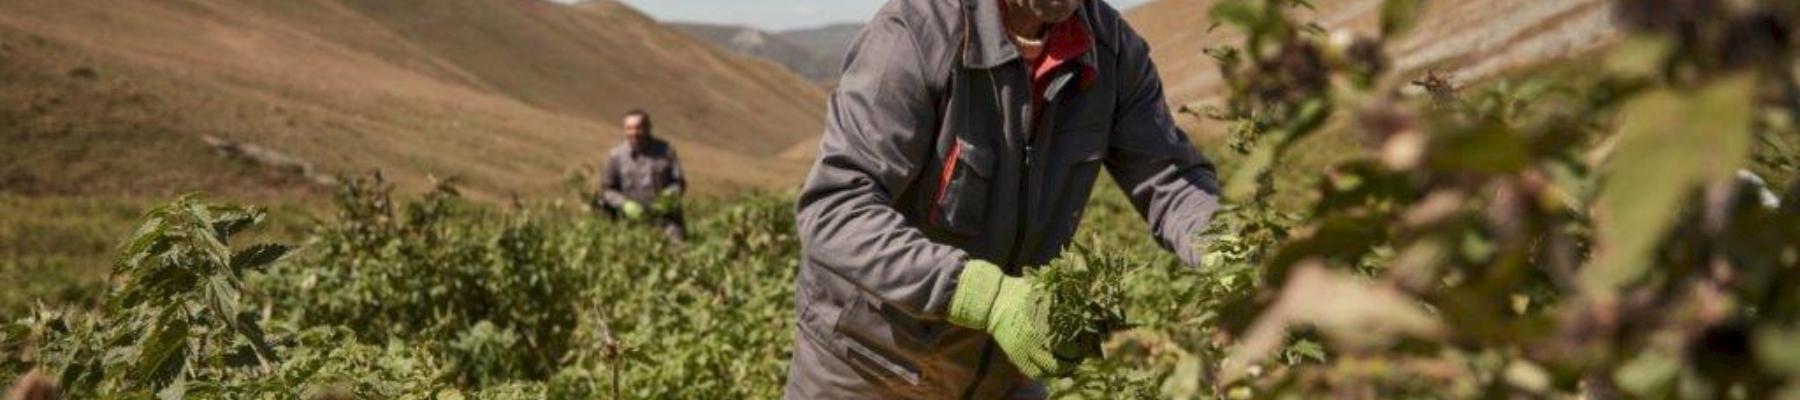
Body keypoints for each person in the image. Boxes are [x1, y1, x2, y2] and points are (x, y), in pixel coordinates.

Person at [786, 0, 1221, 397]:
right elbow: (836, 209)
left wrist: (1234, 250)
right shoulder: (914, 34)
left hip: (1001, 374)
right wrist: (986, 297)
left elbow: (1172, 180)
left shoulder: (1112, 53)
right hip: (870, 367)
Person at [599, 109, 687, 241]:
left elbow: (679, 182)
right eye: (629, 128)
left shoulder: (666, 151)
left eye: (638, 128)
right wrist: (624, 204)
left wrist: (669, 196)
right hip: (631, 225)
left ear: (648, 128)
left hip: (667, 223)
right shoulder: (615, 156)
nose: (634, 133)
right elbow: (607, 189)